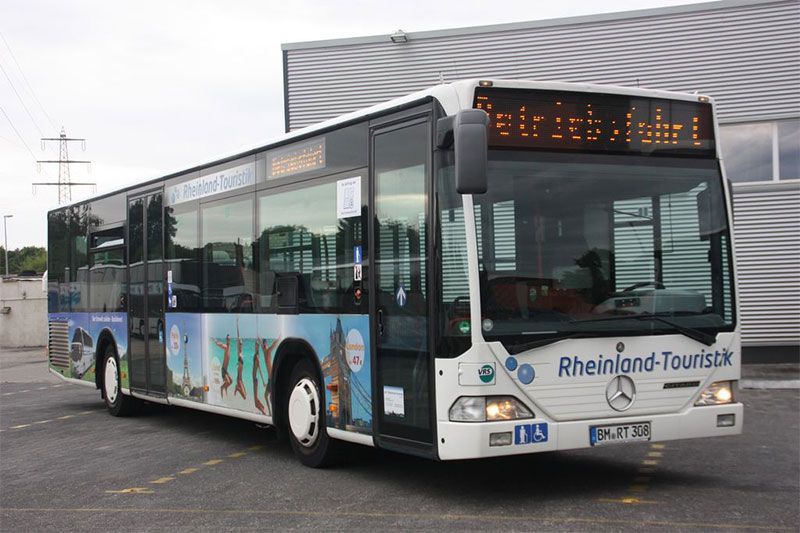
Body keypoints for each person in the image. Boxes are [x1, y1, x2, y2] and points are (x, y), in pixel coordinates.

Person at [259, 337, 280, 414]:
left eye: (265, 344)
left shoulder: (268, 351)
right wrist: (259, 338)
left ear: (266, 344)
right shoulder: (264, 351)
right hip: (269, 379)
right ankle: (271, 412)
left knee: (271, 397)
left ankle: (275, 412)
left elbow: (274, 344)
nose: (264, 346)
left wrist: (279, 337)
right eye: (263, 344)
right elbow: (261, 343)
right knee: (266, 396)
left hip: (271, 378)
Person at [252, 339, 266, 415]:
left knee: (255, 402)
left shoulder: (257, 356)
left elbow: (259, 369)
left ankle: (263, 412)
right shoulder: (255, 355)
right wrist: (259, 341)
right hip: (254, 380)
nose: (256, 347)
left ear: (258, 348)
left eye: (257, 346)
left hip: (255, 381)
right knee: (256, 398)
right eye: (255, 345)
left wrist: (263, 381)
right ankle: (263, 408)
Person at [234, 320, 247, 399]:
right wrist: (237, 323)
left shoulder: (241, 353)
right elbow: (238, 334)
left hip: (240, 379)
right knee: (245, 397)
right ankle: (237, 388)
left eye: (242, 343)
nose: (241, 344)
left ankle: (237, 388)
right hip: (239, 379)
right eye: (240, 343)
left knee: (246, 394)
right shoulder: (239, 353)